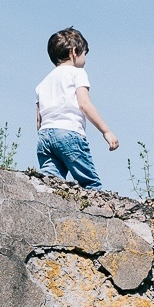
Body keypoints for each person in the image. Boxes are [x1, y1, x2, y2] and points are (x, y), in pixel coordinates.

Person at [35, 27, 119, 188]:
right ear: (74, 52)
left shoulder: (42, 83)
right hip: (69, 133)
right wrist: (106, 131)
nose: (85, 59)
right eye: (84, 53)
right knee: (90, 183)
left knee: (50, 182)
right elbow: (84, 104)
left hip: (45, 136)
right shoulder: (77, 73)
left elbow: (39, 120)